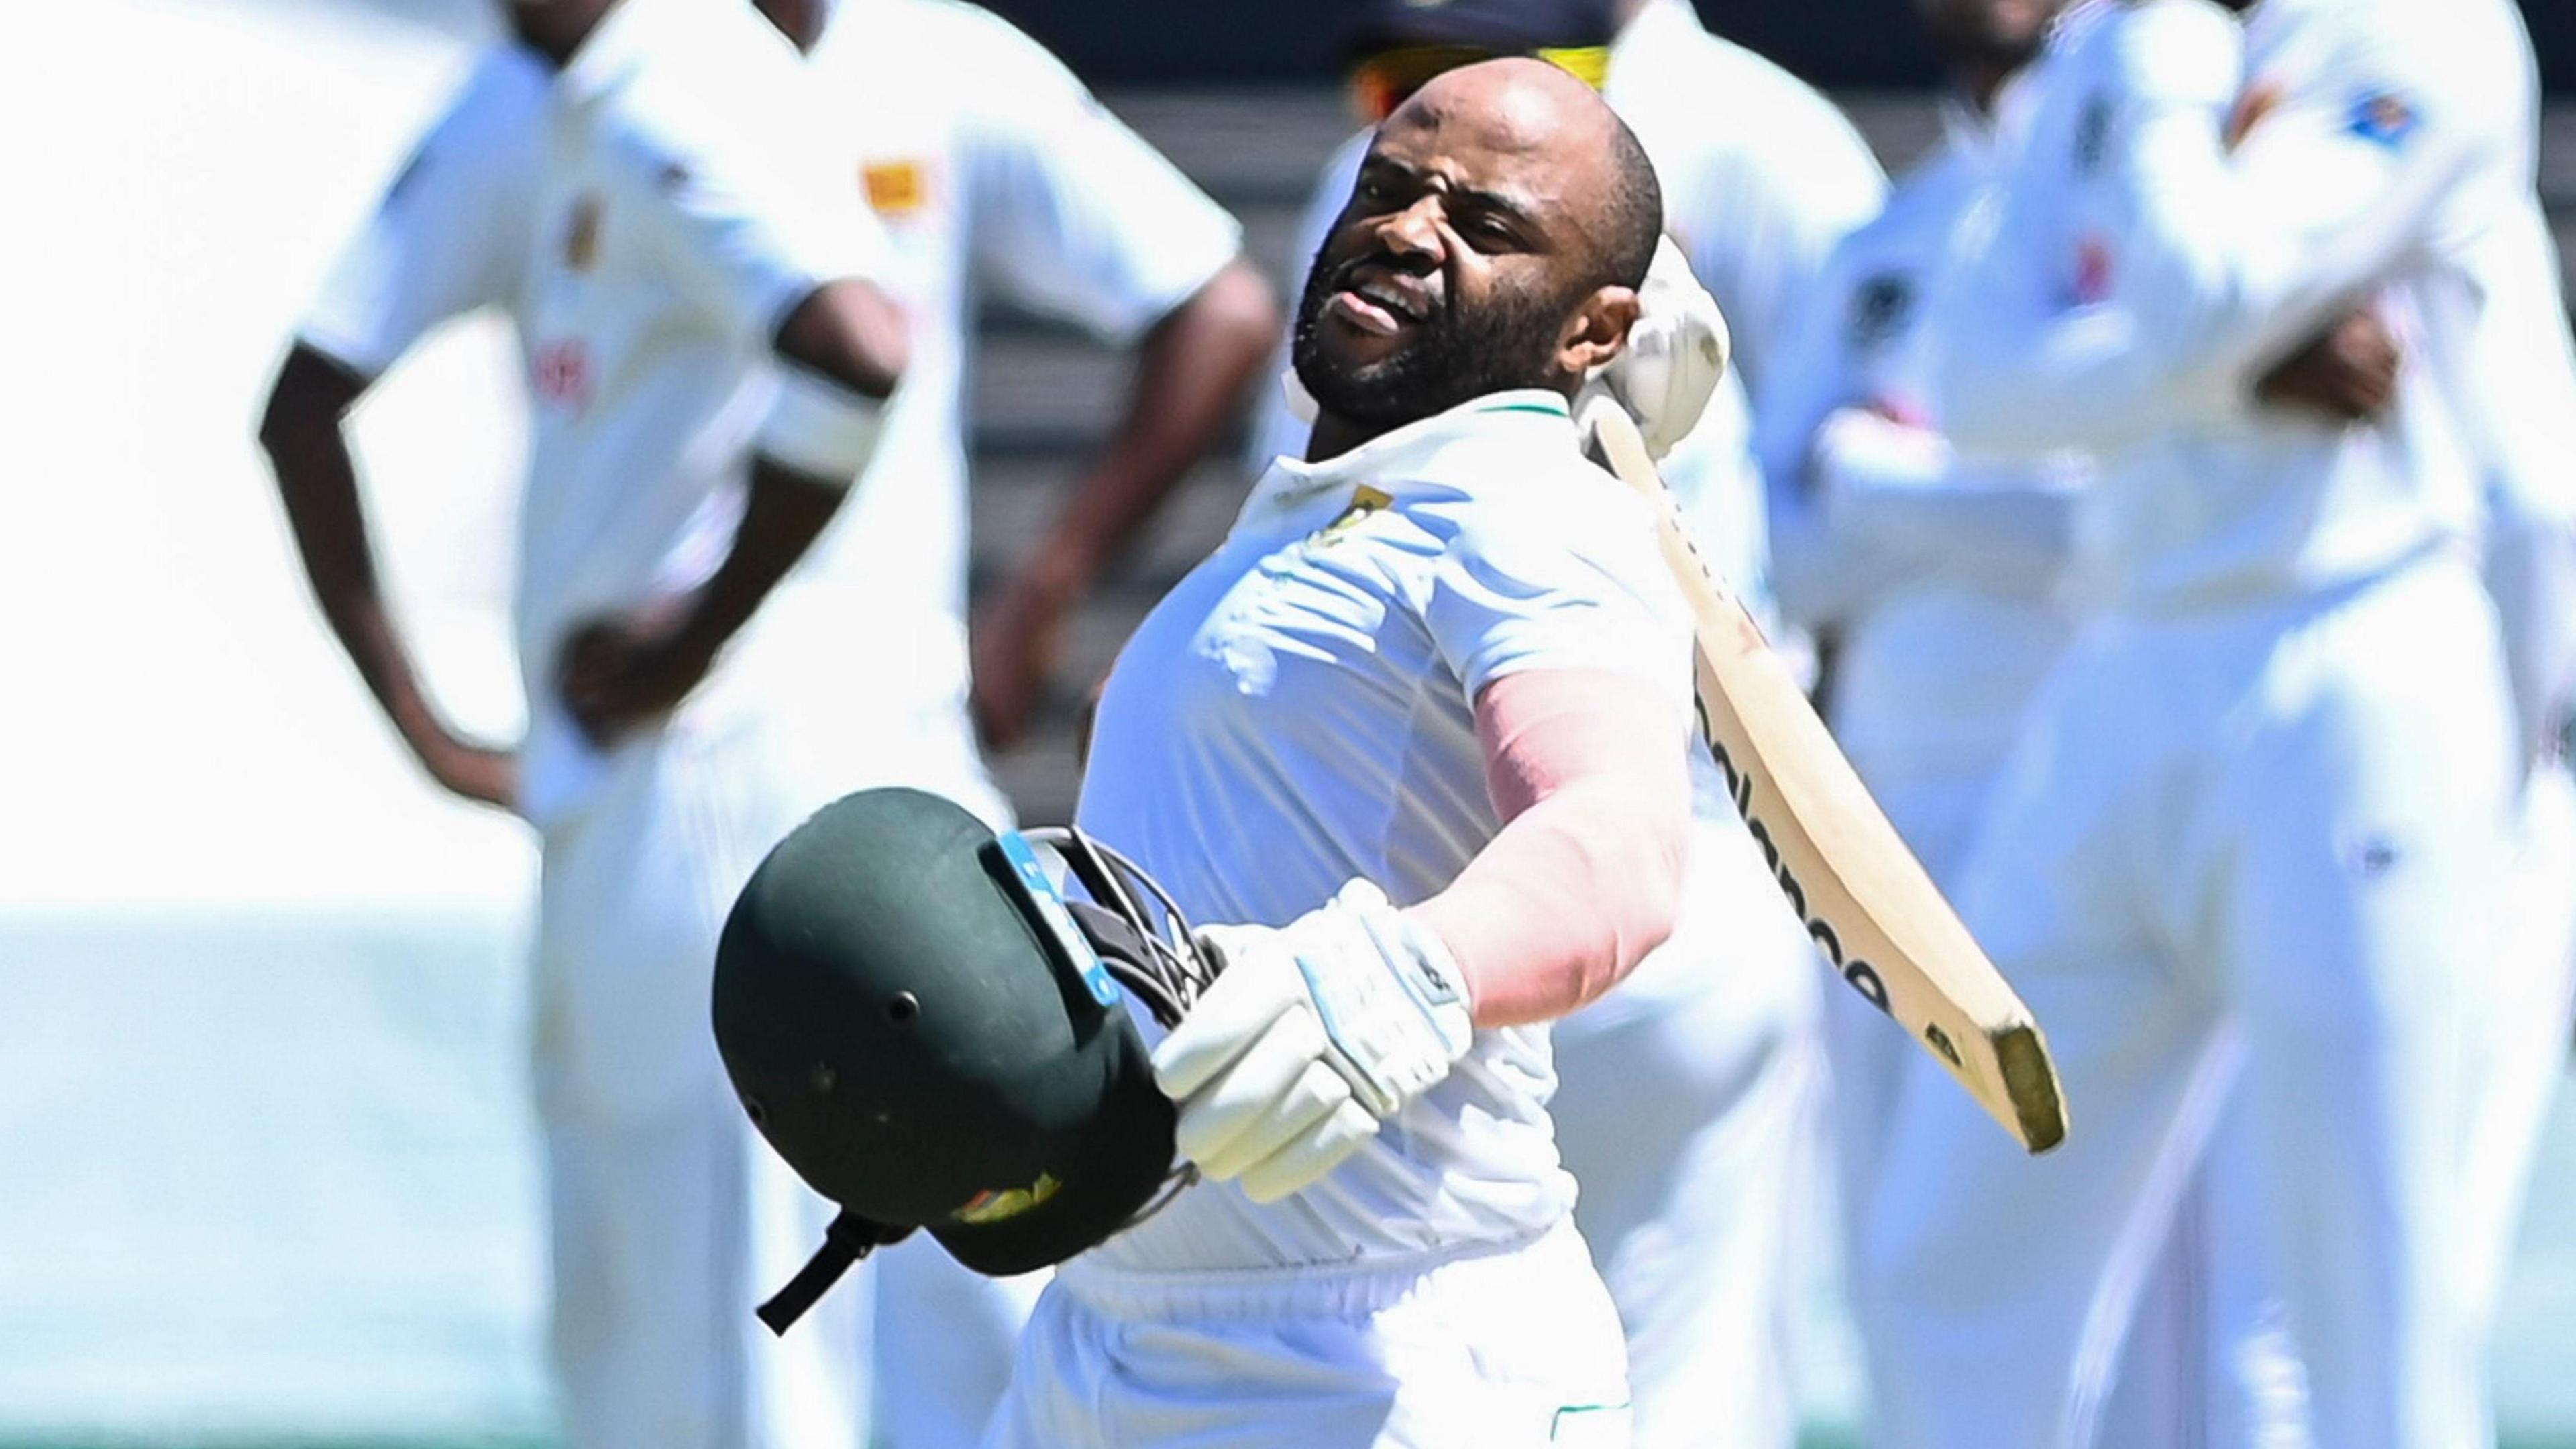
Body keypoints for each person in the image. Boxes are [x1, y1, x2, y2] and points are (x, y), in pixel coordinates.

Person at [258, 0, 1269, 1443]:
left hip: (754, 773)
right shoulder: (560, 81)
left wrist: (734, 626)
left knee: (785, 1300)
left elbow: (890, 343)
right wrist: (433, 725)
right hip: (714, 778)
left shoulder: (693, 66)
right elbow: (305, 398)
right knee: (788, 1288)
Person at [1860, 0, 2566, 1444]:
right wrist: (2239, 368)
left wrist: (2173, 134)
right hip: (2126, 668)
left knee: (2361, 1301)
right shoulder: (2125, 40)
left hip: (2358, 654)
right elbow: (1976, 386)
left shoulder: (2421, 31)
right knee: (1948, 1251)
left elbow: (2203, 286)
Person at [985, 58, 1703, 1448]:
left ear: (1594, 328)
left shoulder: (1526, 510)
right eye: (1391, 185)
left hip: (1388, 1362)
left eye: (1489, 228)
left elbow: (1619, 837)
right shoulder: (1318, 518)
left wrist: (1402, 978)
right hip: (1114, 1334)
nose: (1412, 228)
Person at [1243, 8, 1884, 1440]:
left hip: (1626, 882)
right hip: (1448, 913)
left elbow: (1859, 478)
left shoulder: (1757, 141)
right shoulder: (1392, 164)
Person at [1750, 0, 2090, 1421]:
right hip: (1888, 820)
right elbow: (1782, 539)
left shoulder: (2162, 199)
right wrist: (1972, 495)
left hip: (2098, 806)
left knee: (2111, 1274)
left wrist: (1887, 482)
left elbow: (2123, 524)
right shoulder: (1890, 238)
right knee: (1907, 1260)